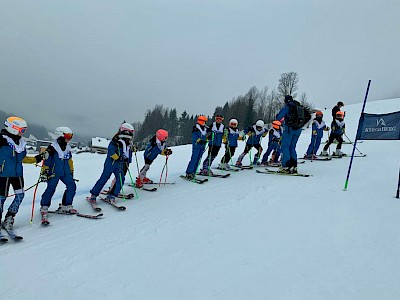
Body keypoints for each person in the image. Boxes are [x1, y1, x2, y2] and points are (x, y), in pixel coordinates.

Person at [0, 117, 44, 231]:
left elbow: (22, 158)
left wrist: (37, 158)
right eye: (22, 130)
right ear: (13, 128)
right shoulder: (1, 140)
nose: (23, 132)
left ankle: (9, 217)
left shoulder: (21, 143)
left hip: (17, 174)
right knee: (1, 198)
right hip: (3, 174)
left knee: (20, 195)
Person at [88, 123, 134, 204]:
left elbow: (128, 153)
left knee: (121, 179)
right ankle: (93, 195)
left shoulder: (128, 143)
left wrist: (128, 160)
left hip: (119, 165)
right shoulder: (115, 141)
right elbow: (111, 152)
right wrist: (118, 157)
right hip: (110, 164)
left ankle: (112, 195)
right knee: (104, 178)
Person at [38, 127, 77, 224]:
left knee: (72, 185)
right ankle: (44, 207)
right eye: (68, 136)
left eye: (71, 136)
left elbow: (69, 160)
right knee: (51, 188)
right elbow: (46, 161)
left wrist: (71, 170)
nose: (69, 139)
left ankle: (66, 205)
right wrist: (44, 172)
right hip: (54, 172)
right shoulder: (52, 148)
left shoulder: (67, 148)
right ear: (60, 136)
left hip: (65, 172)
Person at [276, 95, 311, 173]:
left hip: (289, 129)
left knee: (285, 147)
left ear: (286, 101)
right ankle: (294, 166)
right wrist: (301, 124)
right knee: (292, 147)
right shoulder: (299, 107)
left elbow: (278, 117)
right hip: (298, 130)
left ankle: (286, 166)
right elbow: (308, 116)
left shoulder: (287, 107)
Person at [185, 115, 209, 179]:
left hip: (202, 146)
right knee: (194, 159)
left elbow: (206, 135)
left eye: (204, 121)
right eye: (202, 121)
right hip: (196, 146)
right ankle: (189, 172)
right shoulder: (196, 128)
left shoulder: (205, 128)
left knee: (198, 159)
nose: (203, 122)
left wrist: (207, 139)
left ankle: (193, 172)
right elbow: (194, 137)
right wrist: (199, 140)